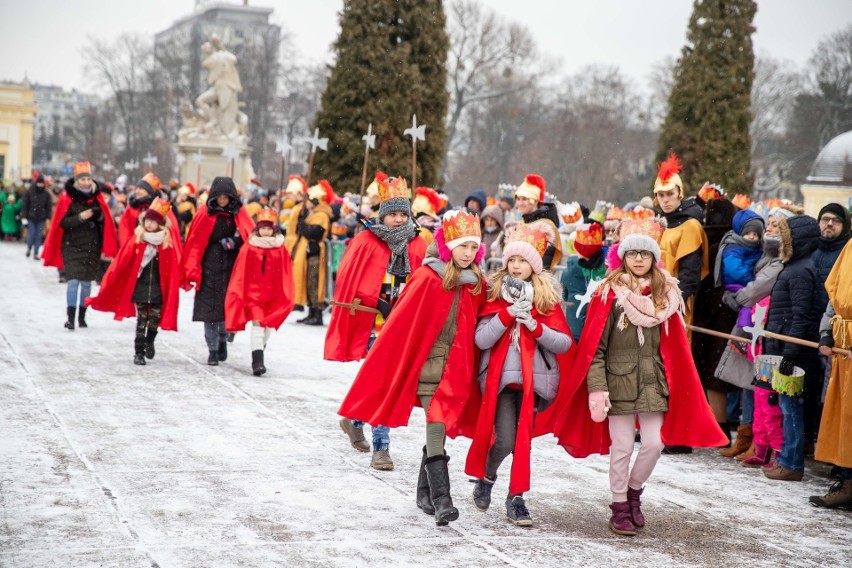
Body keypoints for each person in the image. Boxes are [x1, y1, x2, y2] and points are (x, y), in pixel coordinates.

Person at [551, 218, 726, 536]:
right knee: (621, 447)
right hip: (616, 382)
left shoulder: (667, 296)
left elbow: (674, 351)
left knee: (654, 444)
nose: (638, 259)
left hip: (652, 381)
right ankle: (619, 507)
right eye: (632, 254)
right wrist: (597, 389)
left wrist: (675, 382)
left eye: (644, 254)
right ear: (623, 257)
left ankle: (634, 493)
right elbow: (594, 348)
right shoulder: (608, 293)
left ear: (653, 258)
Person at [338, 209, 486, 526]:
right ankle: (443, 499)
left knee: (439, 427)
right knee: (436, 426)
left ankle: (425, 494)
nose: (468, 253)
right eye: (463, 246)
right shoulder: (428, 278)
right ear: (448, 246)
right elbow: (402, 325)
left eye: (474, 247)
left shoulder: (476, 285)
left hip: (455, 371)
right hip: (425, 368)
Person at [465, 224, 573, 527]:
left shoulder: (546, 301)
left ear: (534, 266)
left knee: (523, 442)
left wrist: (535, 326)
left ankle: (517, 498)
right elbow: (481, 340)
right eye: (512, 259)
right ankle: (487, 477)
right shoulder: (495, 294)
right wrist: (506, 315)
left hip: (534, 383)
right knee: (506, 441)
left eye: (523, 261)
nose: (516, 266)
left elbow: (564, 343)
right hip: (500, 383)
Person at [327, 176, 429, 470]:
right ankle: (381, 448)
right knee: (383, 381)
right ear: (382, 213)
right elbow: (351, 279)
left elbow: (425, 281)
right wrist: (377, 303)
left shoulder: (419, 243)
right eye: (393, 213)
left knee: (388, 382)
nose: (398, 219)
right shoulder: (366, 241)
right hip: (375, 324)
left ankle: (355, 419)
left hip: (403, 324)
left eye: (402, 213)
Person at [716, 207, 788, 461]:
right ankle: (747, 437)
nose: (768, 229)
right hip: (753, 322)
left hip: (765, 325)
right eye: (768, 223)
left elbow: (758, 286)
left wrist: (738, 297)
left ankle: (761, 442)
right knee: (749, 381)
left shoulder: (778, 259)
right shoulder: (764, 252)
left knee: (761, 386)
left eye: (775, 225)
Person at [762, 215, 821, 482]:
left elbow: (801, 316)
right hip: (784, 347)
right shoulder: (796, 266)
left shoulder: (801, 270)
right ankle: (787, 457)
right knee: (786, 405)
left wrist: (788, 356)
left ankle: (792, 462)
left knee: (790, 408)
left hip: (792, 352)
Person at [86, 197, 180, 365]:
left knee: (155, 320)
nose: (150, 224)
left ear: (160, 224)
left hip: (158, 288)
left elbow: (171, 271)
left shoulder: (166, 245)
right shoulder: (137, 240)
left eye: (153, 221)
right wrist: (112, 278)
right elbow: (122, 262)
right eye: (147, 220)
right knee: (142, 320)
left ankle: (150, 340)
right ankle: (139, 352)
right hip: (141, 287)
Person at [181, 176, 253, 365]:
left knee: (226, 309)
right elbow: (195, 243)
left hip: (231, 267)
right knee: (210, 313)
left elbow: (249, 236)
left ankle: (222, 339)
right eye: (219, 197)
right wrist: (193, 269)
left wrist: (234, 241)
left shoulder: (238, 214)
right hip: (209, 267)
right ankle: (212, 349)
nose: (222, 200)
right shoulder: (204, 214)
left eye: (226, 197)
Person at [42, 162, 118, 330]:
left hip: (92, 246)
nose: (85, 182)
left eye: (88, 179)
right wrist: (80, 217)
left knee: (86, 283)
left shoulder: (98, 199)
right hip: (72, 246)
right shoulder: (67, 198)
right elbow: (62, 223)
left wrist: (98, 217)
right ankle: (70, 318)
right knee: (73, 281)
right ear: (76, 181)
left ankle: (82, 316)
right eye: (82, 179)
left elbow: (106, 223)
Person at [225, 207, 295, 376]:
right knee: (258, 324)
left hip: (273, 294)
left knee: (267, 326)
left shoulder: (280, 248)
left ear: (273, 229)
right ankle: (258, 361)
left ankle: (260, 348)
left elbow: (285, 272)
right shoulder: (249, 247)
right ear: (258, 229)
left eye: (268, 228)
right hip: (253, 295)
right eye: (262, 228)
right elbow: (241, 271)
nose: (265, 231)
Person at [810, 238, 852, 508]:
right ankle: (847, 480)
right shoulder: (849, 247)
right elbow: (833, 296)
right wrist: (826, 333)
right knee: (844, 418)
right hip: (844, 348)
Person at [807, 203, 851, 454]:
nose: (829, 224)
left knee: (832, 396)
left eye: (836, 220)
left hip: (841, 334)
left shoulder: (844, 249)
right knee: (810, 390)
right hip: (816, 328)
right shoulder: (810, 250)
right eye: (825, 219)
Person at [653, 154, 708, 337]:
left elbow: (690, 275)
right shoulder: (658, 224)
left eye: (670, 194)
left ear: (679, 194)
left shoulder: (690, 225)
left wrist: (673, 303)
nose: (666, 200)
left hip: (675, 301)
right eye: (661, 195)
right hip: (653, 298)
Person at [288, 180, 334, 326]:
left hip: (315, 254)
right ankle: (311, 313)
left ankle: (317, 314)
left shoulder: (321, 215)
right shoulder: (313, 214)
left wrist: (302, 223)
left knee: (315, 283)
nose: (306, 202)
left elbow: (312, 233)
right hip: (308, 254)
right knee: (309, 283)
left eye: (309, 200)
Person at [562, 222, 606, 343]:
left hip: (573, 325)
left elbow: (564, 296)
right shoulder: (606, 271)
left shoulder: (567, 272)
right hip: (598, 329)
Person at [119, 173, 183, 250]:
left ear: (149, 191)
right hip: (135, 248)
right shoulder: (132, 207)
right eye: (137, 188)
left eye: (141, 189)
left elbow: (172, 230)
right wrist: (128, 247)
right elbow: (124, 230)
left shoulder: (161, 207)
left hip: (157, 250)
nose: (137, 191)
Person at [513, 174, 562, 270]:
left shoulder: (546, 227)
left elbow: (544, 262)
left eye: (524, 199)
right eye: (518, 199)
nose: (520, 203)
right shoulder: (522, 223)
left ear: (535, 201)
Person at [21, 173, 53, 259]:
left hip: (41, 218)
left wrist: (48, 218)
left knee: (39, 236)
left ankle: (36, 252)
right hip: (31, 217)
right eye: (39, 183)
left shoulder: (46, 194)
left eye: (41, 183)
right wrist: (24, 216)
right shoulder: (30, 192)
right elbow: (25, 205)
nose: (40, 184)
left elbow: (48, 207)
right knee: (31, 234)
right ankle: (29, 247)